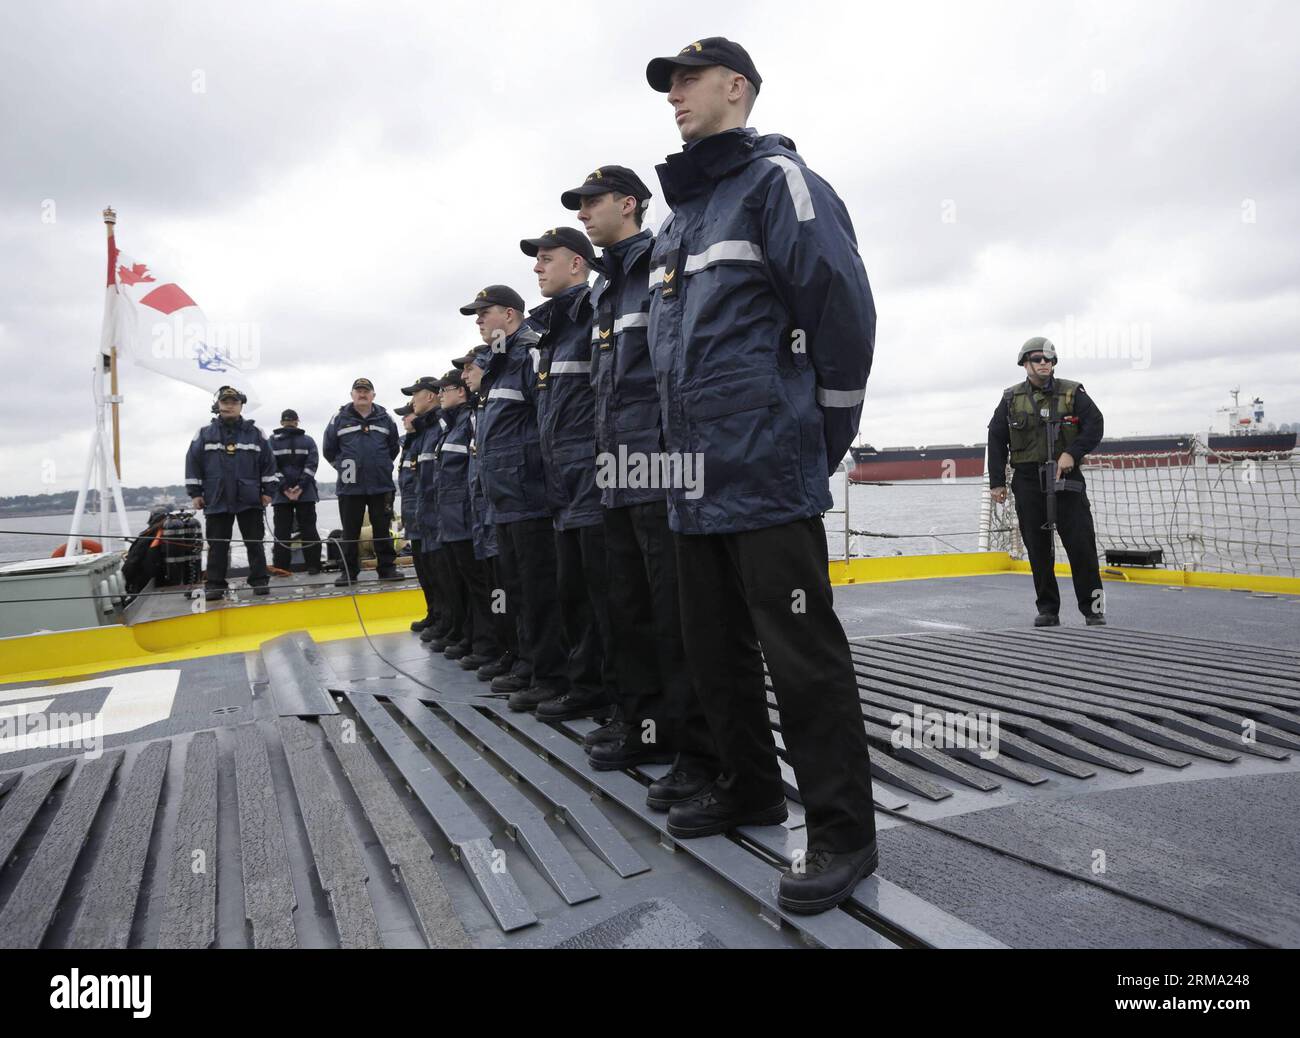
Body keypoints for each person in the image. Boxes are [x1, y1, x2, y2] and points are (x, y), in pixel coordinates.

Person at [643, 37, 879, 913]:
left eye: (688, 80)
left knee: (802, 659)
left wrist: (815, 441)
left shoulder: (781, 184)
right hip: (693, 477)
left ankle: (844, 835)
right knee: (714, 650)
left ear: (736, 88)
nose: (673, 95)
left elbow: (842, 317)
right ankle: (746, 786)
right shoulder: (680, 219)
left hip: (767, 467)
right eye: (667, 85)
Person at [567, 163, 721, 795]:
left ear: (628, 204)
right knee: (625, 607)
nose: (583, 214)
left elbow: (672, 368)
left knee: (671, 613)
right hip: (615, 467)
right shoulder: (605, 290)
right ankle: (643, 723)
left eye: (591, 202)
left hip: (658, 466)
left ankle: (689, 745)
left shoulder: (661, 264)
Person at [519, 226, 618, 724]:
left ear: (577, 263)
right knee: (574, 597)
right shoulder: (552, 334)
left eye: (546, 258)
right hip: (563, 490)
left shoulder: (594, 318)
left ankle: (612, 697)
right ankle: (585, 687)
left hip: (594, 486)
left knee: (606, 601)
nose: (537, 267)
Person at [459, 284, 568, 711]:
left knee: (541, 592)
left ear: (509, 314)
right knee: (518, 590)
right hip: (504, 499)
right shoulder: (498, 366)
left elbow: (546, 423)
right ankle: (529, 663)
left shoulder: (529, 354)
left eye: (484, 313)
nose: (479, 321)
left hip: (531, 495)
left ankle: (552, 674)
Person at [987, 337, 1106, 626]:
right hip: (1028, 480)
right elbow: (996, 437)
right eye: (1037, 359)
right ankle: (1048, 609)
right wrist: (997, 482)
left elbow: (1095, 425)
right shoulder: (1010, 398)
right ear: (1025, 364)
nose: (1044, 363)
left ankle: (1094, 609)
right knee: (1037, 548)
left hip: (1066, 478)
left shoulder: (1072, 392)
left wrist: (1072, 453)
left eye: (1048, 360)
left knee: (1081, 545)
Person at [458, 347, 524, 684]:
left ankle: (519, 657)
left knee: (514, 593)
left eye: (470, 369)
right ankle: (507, 652)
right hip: (488, 518)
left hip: (509, 509)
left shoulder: (489, 405)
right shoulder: (478, 412)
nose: (464, 376)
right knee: (499, 593)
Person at [434, 368, 503, 671]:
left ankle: (489, 644)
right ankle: (474, 637)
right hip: (453, 521)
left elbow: (471, 475)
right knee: (463, 584)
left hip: (467, 518)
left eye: (444, 391)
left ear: (460, 392)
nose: (440, 397)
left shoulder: (467, 423)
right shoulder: (453, 426)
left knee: (482, 587)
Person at [185, 385, 278, 600]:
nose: (230, 405)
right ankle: (215, 584)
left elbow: (268, 465)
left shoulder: (256, 433)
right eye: (225, 402)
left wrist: (268, 492)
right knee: (217, 545)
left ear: (241, 405)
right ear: (217, 405)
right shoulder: (204, 433)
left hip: (250, 498)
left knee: (254, 542)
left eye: (234, 402)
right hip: (216, 497)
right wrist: (195, 493)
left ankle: (259, 580)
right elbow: (193, 464)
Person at [322, 377, 403, 585]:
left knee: (382, 530)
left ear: (373, 395)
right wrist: (344, 468)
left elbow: (393, 448)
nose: (362, 394)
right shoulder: (338, 419)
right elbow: (329, 450)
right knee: (350, 532)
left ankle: (387, 569)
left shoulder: (386, 419)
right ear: (352, 395)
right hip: (350, 488)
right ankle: (349, 572)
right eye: (358, 391)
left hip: (381, 485)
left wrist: (380, 465)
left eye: (366, 391)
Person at [397, 403, 442, 632]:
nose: (404, 420)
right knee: (424, 573)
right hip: (414, 519)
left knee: (436, 574)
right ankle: (433, 612)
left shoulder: (429, 437)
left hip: (428, 519)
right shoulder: (409, 445)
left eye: (408, 415)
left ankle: (443, 617)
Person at [269, 408, 322, 575]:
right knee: (309, 530)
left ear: (281, 422)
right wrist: (300, 486)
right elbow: (312, 466)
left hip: (281, 494)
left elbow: (271, 467)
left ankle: (281, 567)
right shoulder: (308, 441)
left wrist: (285, 487)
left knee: (281, 532)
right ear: (297, 421)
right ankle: (313, 566)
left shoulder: (271, 442)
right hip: (305, 493)